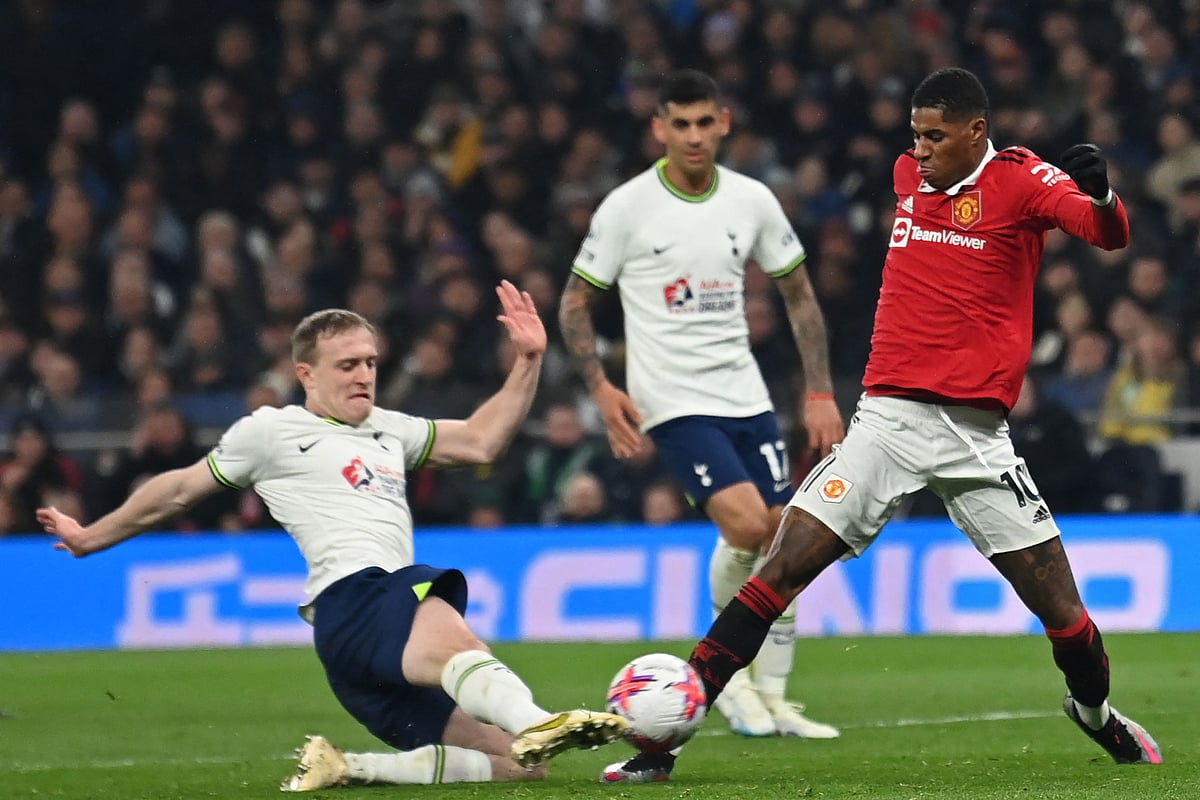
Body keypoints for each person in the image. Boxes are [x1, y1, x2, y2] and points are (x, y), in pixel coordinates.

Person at [649, 67, 1163, 781]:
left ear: (976, 131)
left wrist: (1103, 195)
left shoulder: (1020, 180)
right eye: (915, 135)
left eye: (934, 136)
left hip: (977, 439)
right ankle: (664, 741)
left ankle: (1095, 714)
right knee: (778, 570)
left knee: (1065, 614)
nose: (918, 150)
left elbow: (1107, 234)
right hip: (885, 423)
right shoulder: (906, 178)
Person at [37, 281, 627, 791]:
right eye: (348, 366)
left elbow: (479, 441)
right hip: (358, 599)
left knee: (517, 767)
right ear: (305, 374)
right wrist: (93, 536)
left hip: (360, 651)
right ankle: (536, 717)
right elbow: (178, 489)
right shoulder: (271, 431)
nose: (364, 375)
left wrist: (526, 361)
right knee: (449, 629)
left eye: (370, 362)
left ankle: (350, 767)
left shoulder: (386, 428)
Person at [557, 69, 845, 782]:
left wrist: (818, 392)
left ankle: (774, 697)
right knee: (749, 529)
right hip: (672, 399)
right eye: (677, 124)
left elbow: (802, 298)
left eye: (703, 123)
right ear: (659, 128)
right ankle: (733, 680)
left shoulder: (751, 200)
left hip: (744, 393)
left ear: (724, 123)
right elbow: (572, 303)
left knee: (786, 537)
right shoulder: (627, 208)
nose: (692, 136)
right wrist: (601, 386)